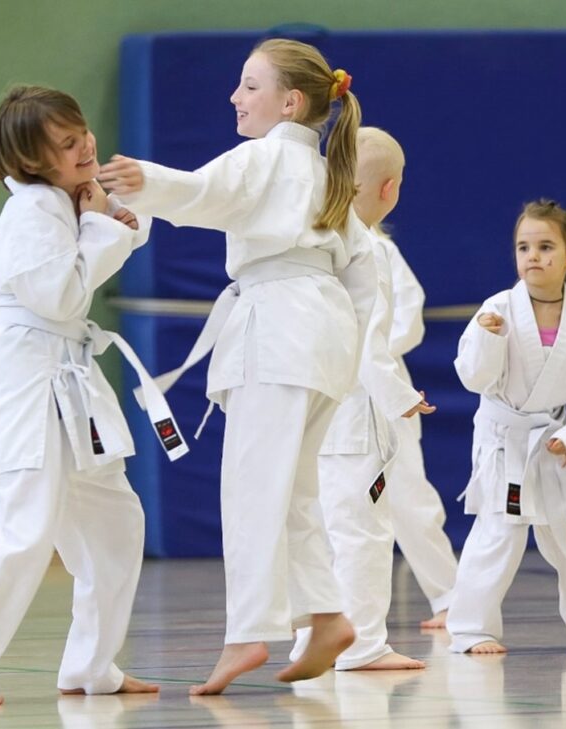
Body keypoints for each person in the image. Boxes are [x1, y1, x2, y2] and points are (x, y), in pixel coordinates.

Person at [100, 38, 372, 694]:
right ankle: (329, 614)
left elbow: (202, 193)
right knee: (297, 491)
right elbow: (365, 270)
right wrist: (347, 343)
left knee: (252, 488)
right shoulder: (329, 174)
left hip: (278, 331)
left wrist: (145, 180)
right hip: (324, 336)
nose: (234, 96)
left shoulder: (268, 156)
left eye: (249, 85)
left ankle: (246, 632)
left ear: (289, 102)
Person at [0, 86, 164, 706]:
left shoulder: (64, 200)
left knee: (115, 523)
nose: (86, 146)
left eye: (83, 134)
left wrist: (109, 216)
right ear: (31, 160)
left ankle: (91, 667)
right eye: (67, 144)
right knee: (27, 527)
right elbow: (64, 297)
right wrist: (103, 223)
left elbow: (119, 237)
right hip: (24, 376)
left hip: (66, 374)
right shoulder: (27, 214)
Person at [447, 199, 566, 654]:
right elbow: (473, 377)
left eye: (545, 246)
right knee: (499, 534)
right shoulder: (497, 309)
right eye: (523, 247)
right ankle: (472, 630)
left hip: (554, 441)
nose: (532, 256)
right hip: (505, 443)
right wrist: (488, 338)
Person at [292, 127, 433, 671]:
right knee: (363, 532)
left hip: (310, 410)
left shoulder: (313, 238)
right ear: (391, 188)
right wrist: (403, 399)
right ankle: (362, 643)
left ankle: (312, 639)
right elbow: (370, 346)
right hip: (353, 417)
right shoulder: (369, 250)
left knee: (320, 531)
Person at [382, 229, 459, 630]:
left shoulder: (379, 247)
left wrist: (372, 354)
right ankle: (321, 608)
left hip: (383, 384)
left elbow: (409, 311)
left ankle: (450, 595)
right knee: (322, 500)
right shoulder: (311, 244)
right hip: (327, 384)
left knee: (407, 493)